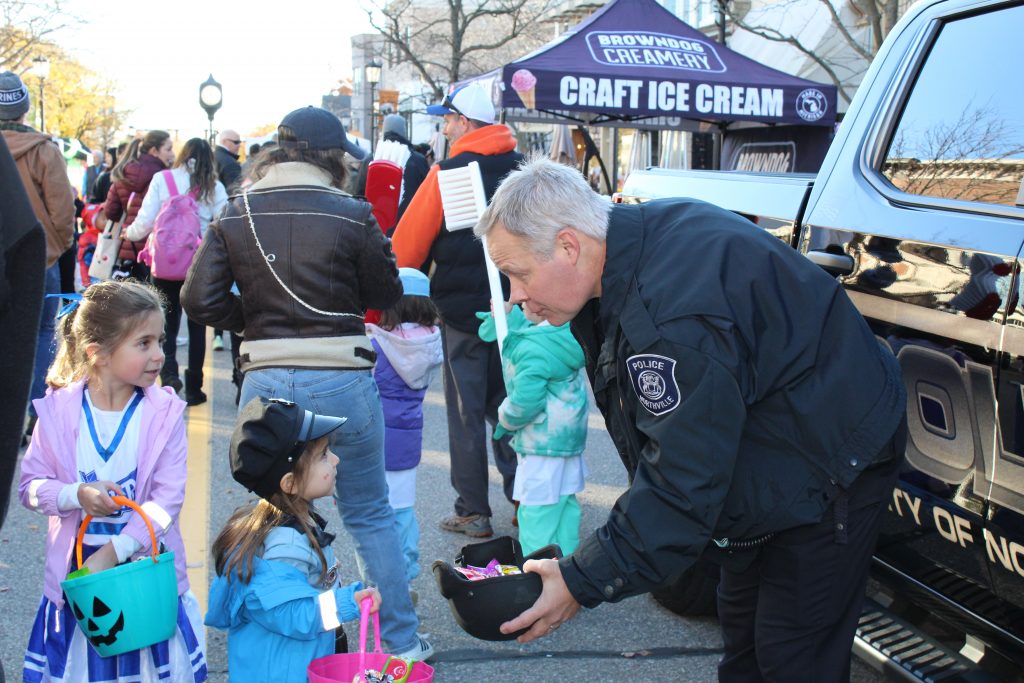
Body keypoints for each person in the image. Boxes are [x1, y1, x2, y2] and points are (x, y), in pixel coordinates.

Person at [478, 158, 908, 681]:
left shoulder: (671, 317)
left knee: (793, 655)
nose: (515, 297)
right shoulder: (628, 252)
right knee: (745, 642)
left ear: (569, 245)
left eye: (518, 274)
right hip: (769, 446)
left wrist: (580, 580)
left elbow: (682, 479)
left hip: (832, 455)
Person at [182, 105, 433, 662]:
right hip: (341, 372)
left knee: (274, 508)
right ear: (334, 158)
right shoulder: (352, 211)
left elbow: (198, 299)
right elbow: (386, 292)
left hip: (265, 376)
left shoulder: (237, 210)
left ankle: (278, 631)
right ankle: (401, 644)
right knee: (370, 513)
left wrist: (254, 324)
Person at [18, 280, 207, 682]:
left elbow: (166, 500)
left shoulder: (164, 414)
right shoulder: (56, 413)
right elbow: (30, 486)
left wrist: (116, 550)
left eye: (159, 340)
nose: (160, 354)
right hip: (80, 583)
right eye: (144, 343)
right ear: (98, 353)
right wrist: (76, 494)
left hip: (143, 577)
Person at [391, 82, 523, 538]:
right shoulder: (526, 170)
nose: (443, 127)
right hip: (521, 311)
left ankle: (473, 510)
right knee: (513, 404)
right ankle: (526, 501)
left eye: (446, 119)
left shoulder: (447, 172)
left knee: (467, 413)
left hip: (463, 315)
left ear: (464, 123)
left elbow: (405, 249)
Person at [206, 397, 381, 683]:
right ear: (290, 483)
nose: (335, 459)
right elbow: (294, 614)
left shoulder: (290, 522)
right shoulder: (285, 547)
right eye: (324, 455)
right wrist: (348, 602)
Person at [476, 303, 589, 556]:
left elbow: (526, 400)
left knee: (535, 514)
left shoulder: (533, 349)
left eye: (523, 300)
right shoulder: (562, 335)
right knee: (565, 508)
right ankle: (566, 570)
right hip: (567, 441)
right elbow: (528, 325)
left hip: (541, 444)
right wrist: (508, 316)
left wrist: (504, 419)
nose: (519, 300)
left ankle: (537, 577)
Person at [0, 71, 76, 436]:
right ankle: (33, 415)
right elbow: (63, 211)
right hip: (36, 259)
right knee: (43, 335)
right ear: (24, 109)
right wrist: (54, 247)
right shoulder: (44, 150)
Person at [127, 137, 228, 405]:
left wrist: (129, 234)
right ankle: (195, 388)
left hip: (165, 264)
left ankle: (169, 374)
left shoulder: (163, 179)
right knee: (197, 327)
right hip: (200, 265)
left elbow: (145, 221)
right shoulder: (213, 186)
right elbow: (225, 224)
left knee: (167, 324)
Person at [366, 267, 443, 583]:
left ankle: (379, 581)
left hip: (376, 441)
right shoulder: (430, 343)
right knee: (403, 512)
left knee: (373, 515)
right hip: (409, 441)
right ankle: (406, 573)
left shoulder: (377, 344)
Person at [103, 130, 175, 279]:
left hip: (128, 246)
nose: (172, 154)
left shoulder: (123, 171)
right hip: (156, 249)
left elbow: (111, 211)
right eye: (168, 149)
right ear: (154, 151)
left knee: (131, 298)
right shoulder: (164, 177)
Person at [352, 114, 430, 230]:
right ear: (404, 132)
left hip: (375, 230)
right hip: (409, 228)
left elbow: (358, 196)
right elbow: (428, 197)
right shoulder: (418, 161)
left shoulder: (370, 160)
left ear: (384, 131)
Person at [214, 129, 242, 193]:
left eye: (239, 142)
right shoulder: (230, 163)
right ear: (224, 141)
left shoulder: (211, 156)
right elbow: (235, 192)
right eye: (236, 142)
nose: (239, 145)